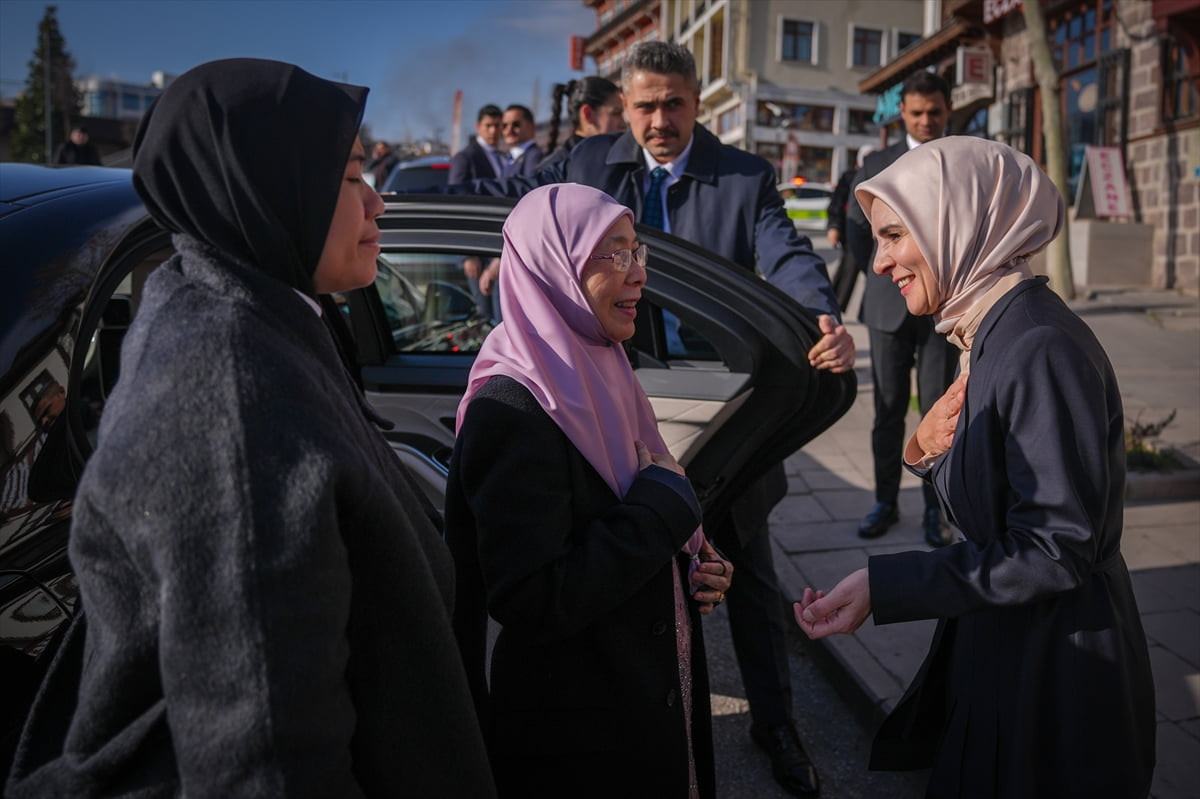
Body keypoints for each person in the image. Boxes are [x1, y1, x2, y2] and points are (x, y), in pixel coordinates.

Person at [4, 58, 496, 798]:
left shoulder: (245, 310)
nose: (378, 201)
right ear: (265, 189)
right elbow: (264, 757)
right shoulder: (230, 397)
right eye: (350, 176)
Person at [445, 40, 852, 798]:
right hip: (606, 373)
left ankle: (777, 726)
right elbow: (526, 211)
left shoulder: (744, 176)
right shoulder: (586, 166)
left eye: (674, 104)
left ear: (697, 103)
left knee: (743, 574)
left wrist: (820, 315)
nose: (659, 120)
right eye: (645, 106)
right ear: (624, 109)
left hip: (722, 394)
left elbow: (787, 254)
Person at [795, 137, 1156, 799]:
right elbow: (1001, 505)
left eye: (895, 235)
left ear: (956, 223)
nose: (879, 262)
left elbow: (1053, 548)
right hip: (1014, 643)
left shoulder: (1037, 344)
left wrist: (884, 585)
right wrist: (925, 450)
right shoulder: (990, 330)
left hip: (1054, 673)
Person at [446, 183, 733, 798]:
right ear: (555, 267)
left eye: (638, 251)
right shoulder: (512, 409)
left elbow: (629, 510)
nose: (639, 273)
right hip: (582, 735)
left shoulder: (600, 364)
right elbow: (532, 598)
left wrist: (690, 565)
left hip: (637, 698)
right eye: (615, 254)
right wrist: (663, 512)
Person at [845, 71, 958, 548]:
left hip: (941, 309)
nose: (926, 120)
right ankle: (885, 502)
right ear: (903, 114)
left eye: (934, 112)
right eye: (917, 113)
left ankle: (937, 510)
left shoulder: (961, 160)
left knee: (941, 413)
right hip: (888, 307)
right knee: (888, 412)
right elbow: (856, 232)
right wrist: (871, 279)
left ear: (947, 110)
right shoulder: (875, 164)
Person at [825, 144, 875, 311]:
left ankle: (867, 311)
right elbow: (837, 204)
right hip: (854, 232)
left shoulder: (880, 175)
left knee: (877, 275)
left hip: (875, 236)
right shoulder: (849, 178)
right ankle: (834, 308)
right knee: (849, 269)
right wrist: (834, 226)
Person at [538, 76, 625, 170]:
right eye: (616, 113)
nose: (623, 124)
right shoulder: (553, 172)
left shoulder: (619, 160)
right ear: (588, 114)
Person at [450, 104, 505, 183]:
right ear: (478, 126)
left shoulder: (503, 156)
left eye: (497, 126)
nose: (493, 131)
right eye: (488, 126)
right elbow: (456, 187)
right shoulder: (465, 157)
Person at [498, 104, 542, 177]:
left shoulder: (533, 156)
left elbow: (530, 182)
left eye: (516, 124)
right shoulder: (510, 158)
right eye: (504, 126)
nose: (509, 130)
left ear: (531, 127)